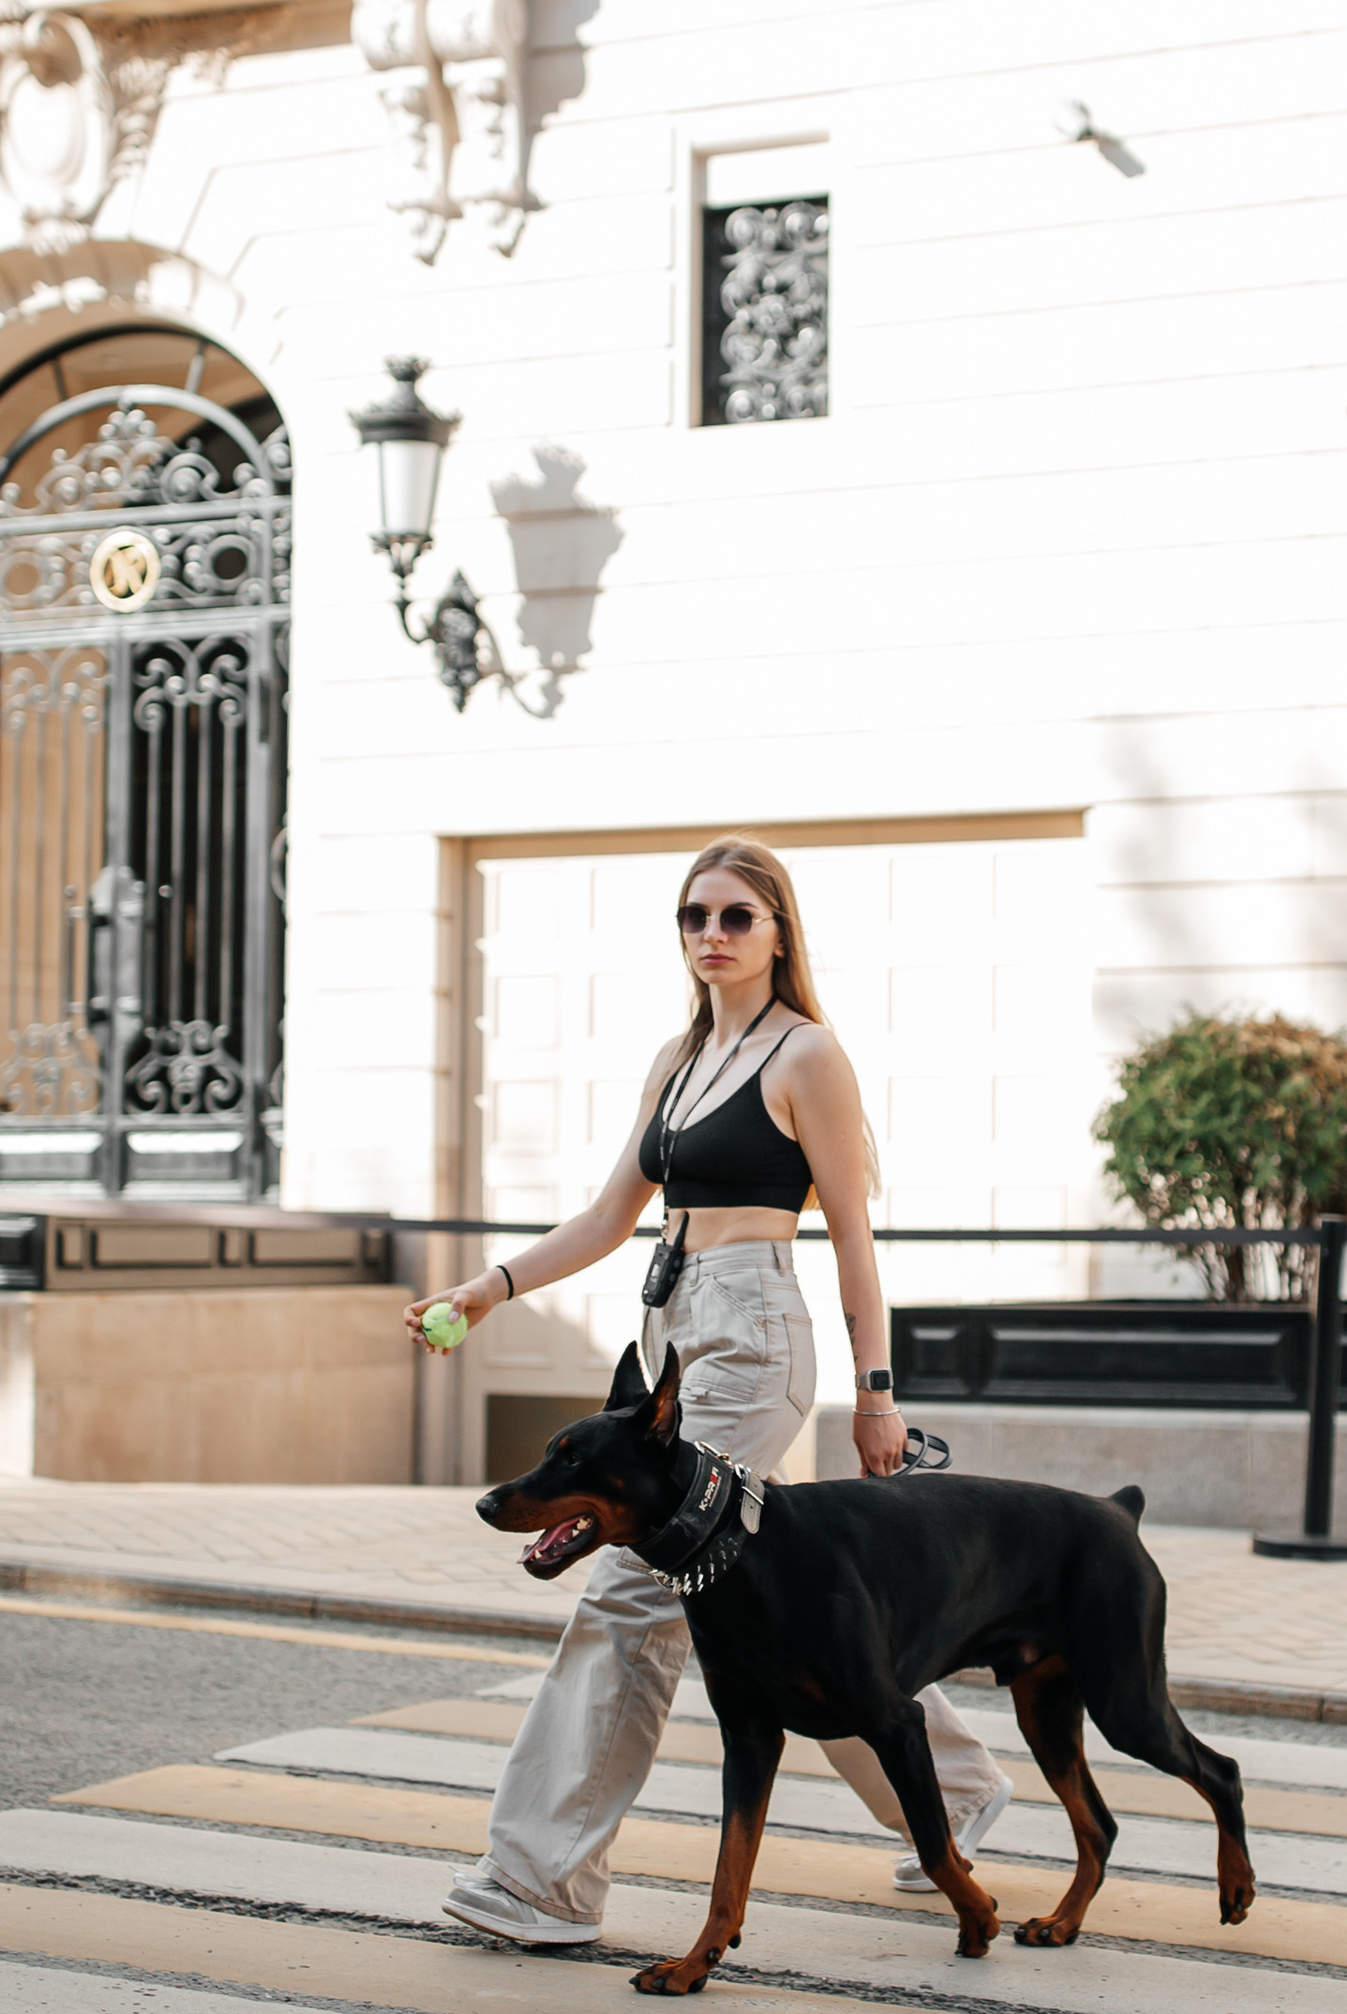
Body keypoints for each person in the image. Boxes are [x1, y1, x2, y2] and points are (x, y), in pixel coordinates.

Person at [413, 834, 1013, 1950]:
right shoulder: (678, 1058)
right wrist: (491, 1286)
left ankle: (539, 1880)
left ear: (779, 931)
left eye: (737, 916)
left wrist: (877, 1392)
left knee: (635, 1595)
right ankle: (953, 1787)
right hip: (672, 1330)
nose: (712, 936)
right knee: (778, 1594)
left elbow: (851, 1237)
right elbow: (605, 1219)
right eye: (695, 917)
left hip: (753, 1337)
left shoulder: (806, 1057)